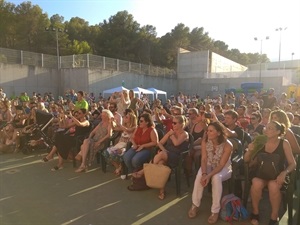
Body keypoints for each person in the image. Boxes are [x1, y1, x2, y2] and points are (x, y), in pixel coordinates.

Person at [244, 121, 296, 225]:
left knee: (273, 185)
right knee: (256, 183)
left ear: (278, 131)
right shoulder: (260, 140)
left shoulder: (284, 143)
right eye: (266, 128)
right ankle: (255, 212)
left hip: (277, 174)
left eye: (270, 128)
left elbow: (293, 163)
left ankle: (274, 215)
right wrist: (249, 151)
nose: (266, 130)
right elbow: (246, 160)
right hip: (260, 172)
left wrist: (284, 173)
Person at [188, 121, 232, 224]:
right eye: (207, 130)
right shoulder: (205, 141)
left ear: (219, 133)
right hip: (208, 164)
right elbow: (203, 159)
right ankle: (195, 205)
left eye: (211, 131)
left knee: (216, 178)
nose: (207, 133)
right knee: (199, 176)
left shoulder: (227, 145)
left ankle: (215, 211)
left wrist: (209, 176)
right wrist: (204, 174)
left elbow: (221, 165)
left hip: (224, 168)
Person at [151, 115, 189, 199]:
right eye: (172, 123)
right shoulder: (171, 132)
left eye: (175, 123)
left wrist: (171, 136)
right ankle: (162, 191)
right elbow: (159, 143)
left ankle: (147, 171)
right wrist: (164, 149)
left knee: (161, 155)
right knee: (161, 163)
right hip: (167, 154)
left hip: (177, 157)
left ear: (181, 124)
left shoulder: (184, 134)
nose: (173, 125)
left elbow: (176, 143)